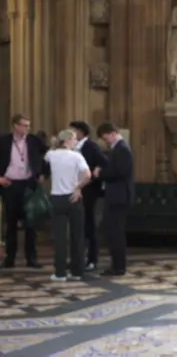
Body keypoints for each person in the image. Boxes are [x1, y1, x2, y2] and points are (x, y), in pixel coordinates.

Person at [0, 114, 48, 269]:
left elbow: (48, 157)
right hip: (10, 185)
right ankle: (10, 258)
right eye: (24, 125)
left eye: (29, 125)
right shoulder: (3, 141)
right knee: (11, 222)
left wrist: (43, 174)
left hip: (29, 184)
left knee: (31, 222)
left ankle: (31, 258)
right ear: (15, 125)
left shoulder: (34, 140)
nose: (27, 128)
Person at [46, 129, 91, 282]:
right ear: (66, 140)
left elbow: (46, 162)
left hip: (57, 198)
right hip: (74, 197)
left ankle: (60, 273)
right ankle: (77, 272)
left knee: (59, 237)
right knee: (77, 236)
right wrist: (78, 187)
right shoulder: (76, 156)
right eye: (73, 139)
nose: (76, 142)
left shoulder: (51, 155)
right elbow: (88, 175)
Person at [93, 122, 134, 276]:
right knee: (112, 231)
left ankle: (119, 266)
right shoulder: (118, 148)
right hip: (116, 195)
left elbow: (119, 172)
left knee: (115, 232)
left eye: (106, 138)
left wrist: (100, 173)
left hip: (119, 196)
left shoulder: (122, 148)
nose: (106, 142)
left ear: (112, 133)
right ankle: (116, 265)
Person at [69, 121, 108, 271]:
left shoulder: (91, 146)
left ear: (80, 132)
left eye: (73, 130)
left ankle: (92, 259)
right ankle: (77, 259)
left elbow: (104, 163)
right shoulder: (71, 147)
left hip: (89, 191)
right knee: (76, 227)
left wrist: (94, 174)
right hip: (74, 190)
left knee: (89, 226)